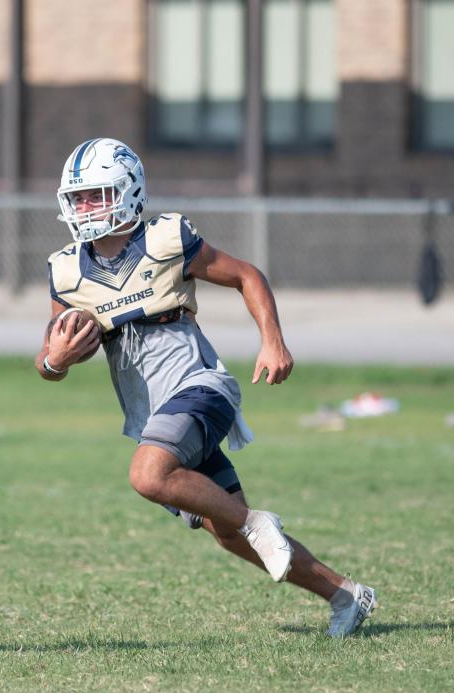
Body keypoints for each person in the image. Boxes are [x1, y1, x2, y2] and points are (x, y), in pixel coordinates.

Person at [36, 137, 377, 637]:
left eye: (97, 195)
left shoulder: (165, 239)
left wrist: (273, 341)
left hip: (200, 387)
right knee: (227, 531)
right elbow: (49, 356)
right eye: (78, 197)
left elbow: (246, 275)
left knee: (148, 476)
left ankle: (260, 520)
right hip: (154, 416)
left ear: (128, 191)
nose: (85, 207)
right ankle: (345, 595)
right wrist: (55, 361)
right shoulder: (66, 271)